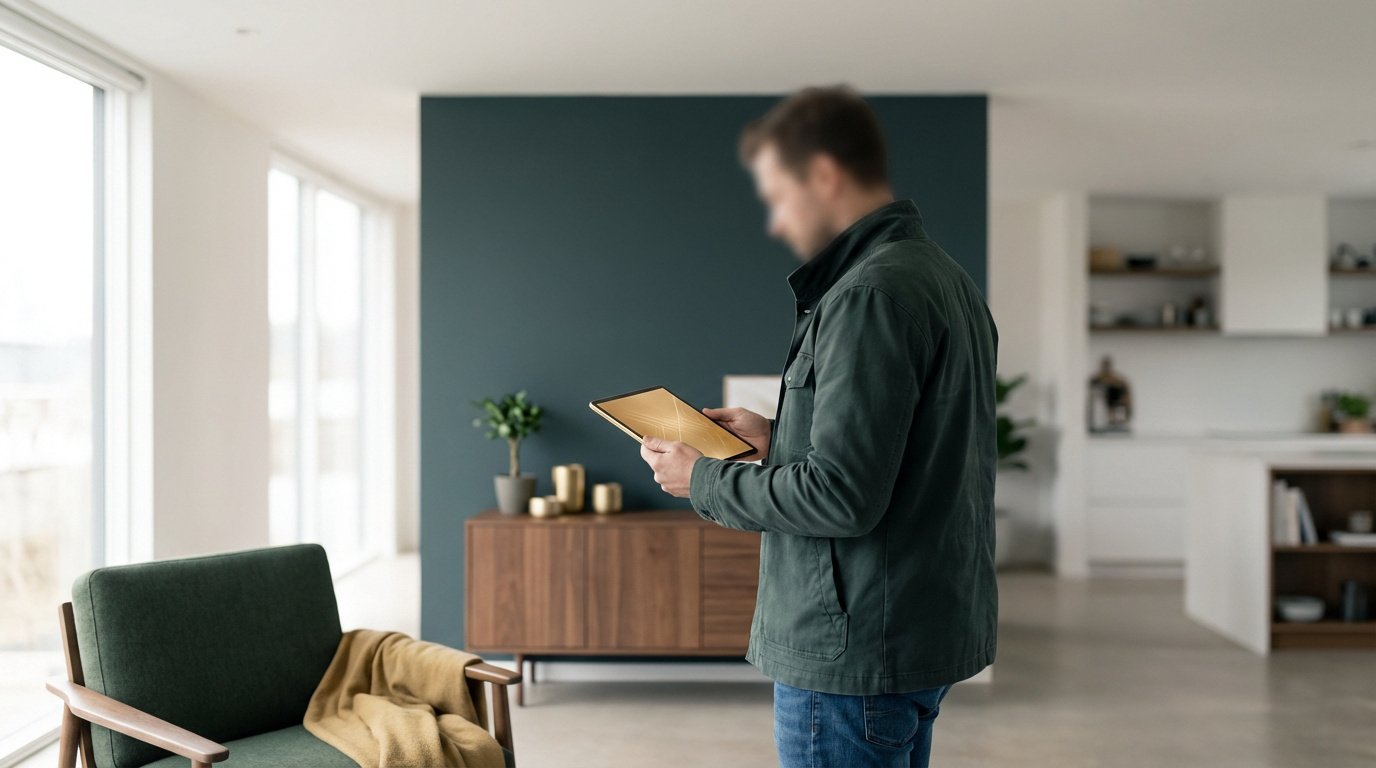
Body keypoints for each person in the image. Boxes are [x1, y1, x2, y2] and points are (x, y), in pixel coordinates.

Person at [639, 84, 999, 768]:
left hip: (853, 647)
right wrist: (779, 438)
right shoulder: (943, 279)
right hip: (916, 628)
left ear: (825, 175)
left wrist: (703, 478)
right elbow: (914, 449)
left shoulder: (868, 294)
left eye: (778, 196)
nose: (775, 221)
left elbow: (840, 496)